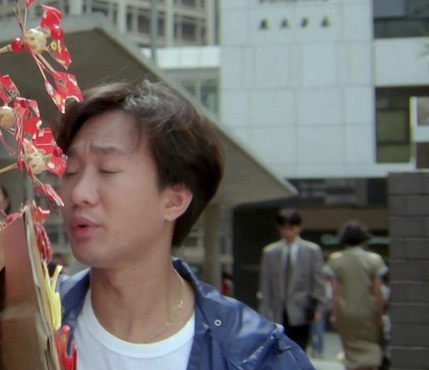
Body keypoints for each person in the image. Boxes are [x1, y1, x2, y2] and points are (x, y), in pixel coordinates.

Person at [54, 80, 313, 369]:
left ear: (174, 200)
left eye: (107, 170)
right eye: (70, 171)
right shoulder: (31, 322)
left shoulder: (257, 355)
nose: (78, 193)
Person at [258, 208, 328, 351]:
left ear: (299, 228)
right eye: (283, 228)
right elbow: (265, 285)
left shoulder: (312, 250)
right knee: (279, 350)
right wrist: (264, 312)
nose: (287, 232)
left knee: (299, 349)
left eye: (291, 228)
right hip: (277, 311)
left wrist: (319, 308)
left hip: (302, 310)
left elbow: (318, 282)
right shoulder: (270, 252)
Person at [324, 220, 388, 370]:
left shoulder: (335, 260)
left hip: (346, 313)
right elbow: (377, 292)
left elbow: (335, 293)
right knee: (371, 350)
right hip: (368, 314)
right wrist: (380, 315)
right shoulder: (374, 260)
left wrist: (335, 315)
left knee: (350, 353)